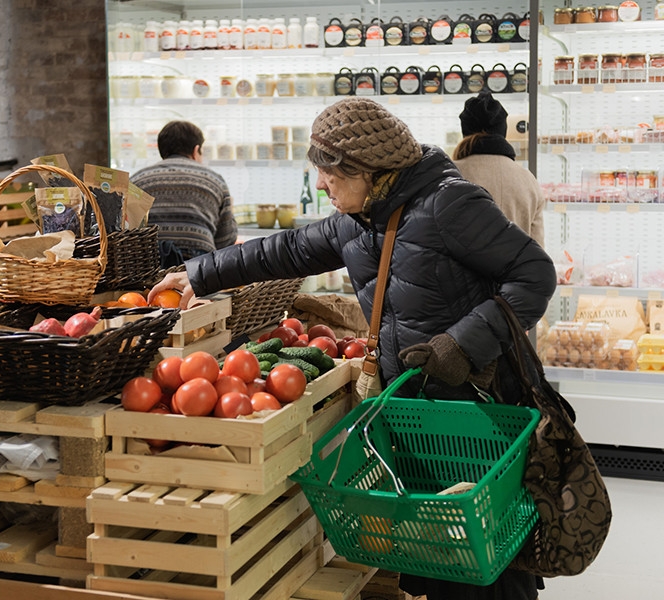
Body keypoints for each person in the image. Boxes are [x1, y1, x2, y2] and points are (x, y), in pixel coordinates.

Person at [149, 97, 556, 600]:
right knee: (438, 548)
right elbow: (288, 249)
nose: (320, 184)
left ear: (363, 169)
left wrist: (461, 343)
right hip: (415, 408)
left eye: (328, 174)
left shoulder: (449, 204)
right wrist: (199, 272)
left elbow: (535, 273)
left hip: (473, 406)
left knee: (486, 554)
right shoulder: (360, 218)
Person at [130, 120, 238, 265]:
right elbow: (226, 240)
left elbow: (127, 232)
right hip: (200, 264)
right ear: (196, 150)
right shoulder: (214, 180)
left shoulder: (137, 180)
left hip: (149, 263)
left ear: (162, 151)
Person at [453, 90, 546, 247]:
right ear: (502, 130)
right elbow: (538, 250)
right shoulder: (528, 179)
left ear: (465, 130)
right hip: (516, 271)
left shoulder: (451, 174)